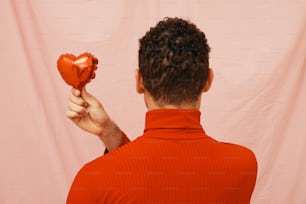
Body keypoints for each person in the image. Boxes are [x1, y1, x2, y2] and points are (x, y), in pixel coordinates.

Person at [66, 17, 257, 203]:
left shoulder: (93, 179)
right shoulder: (243, 165)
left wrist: (110, 133)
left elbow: (139, 178)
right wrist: (110, 132)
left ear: (139, 81)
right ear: (208, 80)